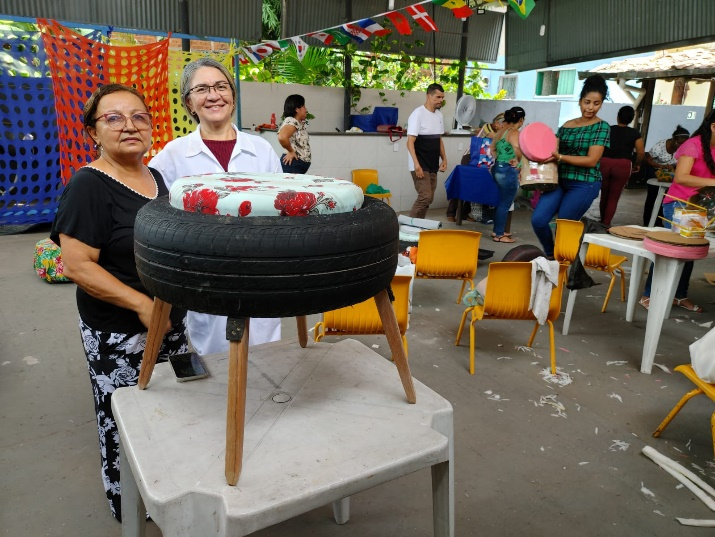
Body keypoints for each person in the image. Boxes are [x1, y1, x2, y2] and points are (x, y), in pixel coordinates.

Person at [50, 84, 188, 521]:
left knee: (174, 412)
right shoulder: (88, 186)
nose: (129, 125)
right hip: (118, 334)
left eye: (139, 116)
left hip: (170, 324)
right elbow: (78, 265)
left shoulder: (156, 179)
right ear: (93, 131)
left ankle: (171, 490)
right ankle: (130, 507)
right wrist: (141, 306)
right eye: (113, 118)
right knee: (128, 423)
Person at [149, 57, 282, 355]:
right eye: (202, 89)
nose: (213, 95)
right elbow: (155, 214)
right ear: (189, 103)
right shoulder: (172, 155)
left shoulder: (261, 150)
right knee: (214, 357)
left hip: (260, 269)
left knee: (266, 357)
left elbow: (280, 209)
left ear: (233, 97)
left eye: (221, 86)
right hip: (202, 273)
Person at [639, 110, 715, 313]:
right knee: (671, 250)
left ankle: (679, 295)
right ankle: (650, 294)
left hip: (702, 206)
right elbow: (681, 177)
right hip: (679, 204)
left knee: (691, 251)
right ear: (714, 127)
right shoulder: (693, 145)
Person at [531, 75, 610, 257]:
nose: (590, 107)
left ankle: (563, 265)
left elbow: (591, 160)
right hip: (559, 181)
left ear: (601, 104)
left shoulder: (601, 127)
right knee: (539, 220)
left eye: (596, 103)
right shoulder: (567, 125)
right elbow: (551, 149)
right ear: (580, 100)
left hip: (584, 183)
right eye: (587, 102)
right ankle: (551, 255)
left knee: (564, 224)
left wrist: (559, 157)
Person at [446, 112, 505, 222]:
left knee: (475, 186)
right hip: (470, 158)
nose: (504, 127)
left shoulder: (500, 133)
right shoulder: (487, 127)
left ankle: (464, 213)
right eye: (503, 124)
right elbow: (494, 137)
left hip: (485, 162)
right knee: (461, 184)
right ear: (497, 124)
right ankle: (451, 213)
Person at [406, 83, 447, 218]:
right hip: (419, 163)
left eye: (442, 97)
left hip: (432, 163)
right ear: (428, 96)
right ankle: (409, 226)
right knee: (425, 197)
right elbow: (409, 142)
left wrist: (444, 159)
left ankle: (418, 224)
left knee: (429, 199)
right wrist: (416, 165)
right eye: (437, 97)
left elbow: (439, 140)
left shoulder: (439, 115)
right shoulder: (417, 114)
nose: (440, 100)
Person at [599, 105, 645, 226]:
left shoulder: (608, 129)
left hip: (605, 162)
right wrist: (637, 164)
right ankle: (606, 223)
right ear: (631, 119)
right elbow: (640, 152)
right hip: (623, 165)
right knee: (614, 196)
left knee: (604, 194)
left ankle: (601, 219)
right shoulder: (635, 133)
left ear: (618, 116)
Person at [642, 125, 690, 226]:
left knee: (665, 199)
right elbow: (648, 160)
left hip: (669, 174)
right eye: (679, 143)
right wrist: (661, 166)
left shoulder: (685, 149)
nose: (681, 146)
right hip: (654, 172)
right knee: (652, 198)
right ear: (673, 139)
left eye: (684, 144)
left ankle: (659, 222)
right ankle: (647, 223)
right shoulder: (660, 146)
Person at [490, 106, 526, 242]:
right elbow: (517, 147)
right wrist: (519, 162)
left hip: (498, 168)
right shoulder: (514, 132)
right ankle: (499, 235)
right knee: (505, 204)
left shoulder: (501, 131)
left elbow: (492, 149)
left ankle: (496, 231)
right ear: (521, 120)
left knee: (501, 202)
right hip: (508, 171)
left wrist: (500, 159)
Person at [277, 94, 311, 174]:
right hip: (292, 164)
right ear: (297, 109)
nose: (306, 109)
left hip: (295, 165)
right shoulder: (292, 121)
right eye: (303, 107)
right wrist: (291, 151)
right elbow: (282, 137)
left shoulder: (297, 122)